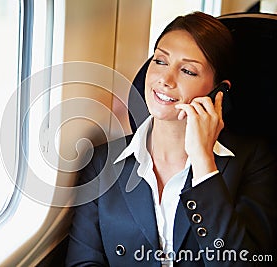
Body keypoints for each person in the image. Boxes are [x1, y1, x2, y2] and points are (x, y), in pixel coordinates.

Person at [65, 11, 277, 266]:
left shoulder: (254, 160)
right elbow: (83, 262)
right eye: (160, 61)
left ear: (218, 91)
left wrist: (203, 163)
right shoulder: (102, 162)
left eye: (187, 70)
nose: (165, 80)